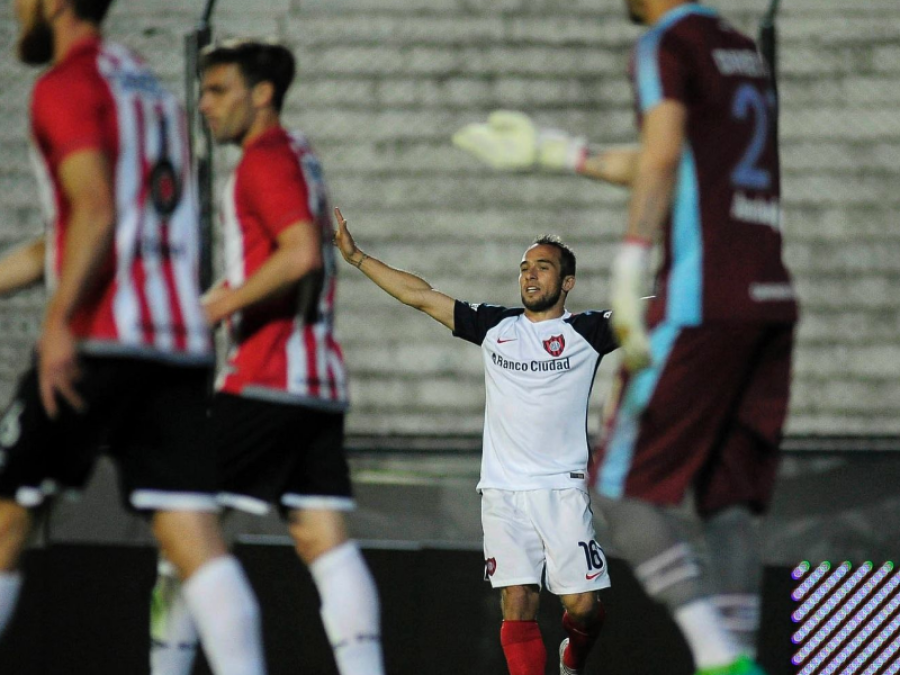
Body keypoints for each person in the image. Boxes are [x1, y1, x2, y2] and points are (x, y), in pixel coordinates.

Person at [452, 1, 798, 674]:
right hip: (770, 297)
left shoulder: (666, 42)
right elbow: (687, 160)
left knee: (621, 490)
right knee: (726, 500)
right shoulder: (741, 50)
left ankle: (716, 655)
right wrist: (562, 153)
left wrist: (634, 260)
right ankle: (739, 655)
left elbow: (663, 157)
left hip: (703, 299)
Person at [0, 1, 268, 674]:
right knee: (192, 537)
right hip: (175, 344)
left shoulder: (67, 84)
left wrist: (59, 324)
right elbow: (80, 230)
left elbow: (94, 210)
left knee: (7, 512)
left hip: (100, 336)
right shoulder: (147, 85)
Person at [147, 39, 386, 675]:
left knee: (182, 530)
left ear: (262, 95)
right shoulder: (298, 153)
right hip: (316, 384)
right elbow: (278, 259)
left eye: (219, 90)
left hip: (264, 379)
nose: (204, 105)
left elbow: (300, 253)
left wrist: (211, 314)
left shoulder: (262, 160)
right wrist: (212, 299)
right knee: (324, 543)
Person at [333, 207, 612, 675]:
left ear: (567, 283)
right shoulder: (495, 328)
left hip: (561, 489)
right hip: (502, 491)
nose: (530, 275)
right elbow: (421, 296)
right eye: (525, 267)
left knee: (583, 606)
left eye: (543, 267)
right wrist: (358, 257)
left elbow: (653, 312)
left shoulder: (586, 333)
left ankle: (574, 656)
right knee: (517, 598)